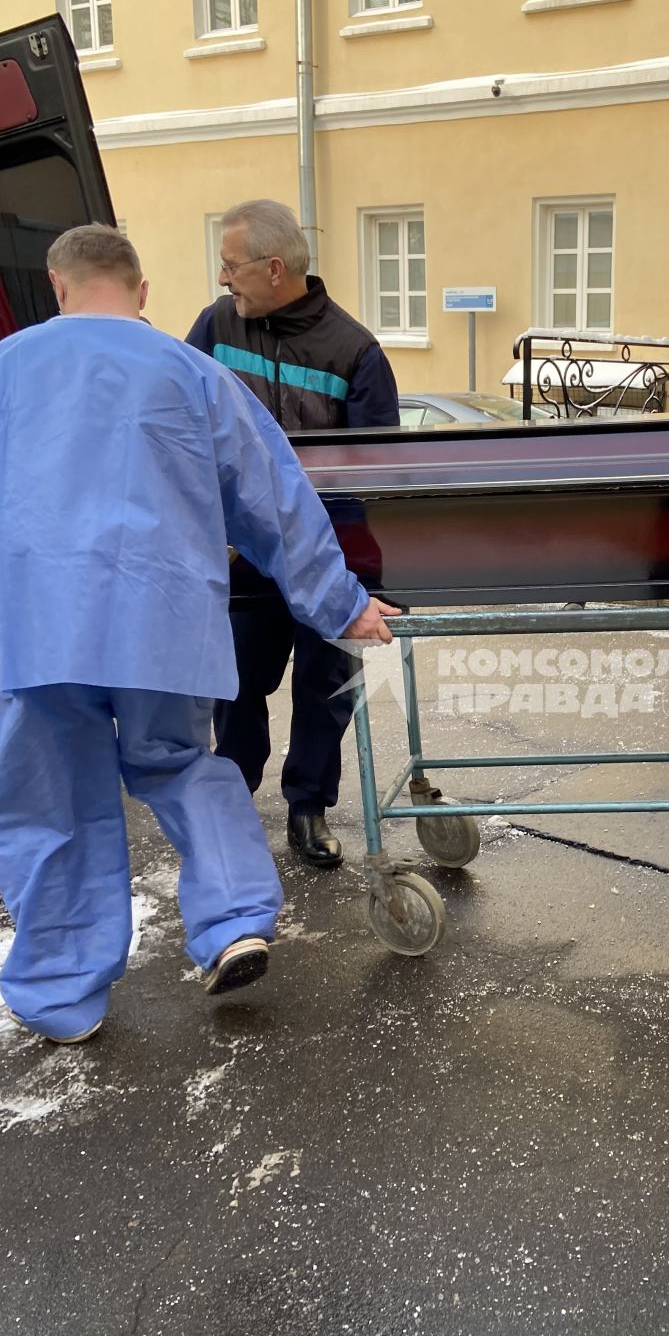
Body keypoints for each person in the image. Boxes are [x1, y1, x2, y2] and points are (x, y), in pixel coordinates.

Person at [0, 226, 398, 1043]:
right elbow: (273, 497)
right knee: (178, 764)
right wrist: (342, 604)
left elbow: (2, 496)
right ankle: (234, 916)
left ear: (59, 287)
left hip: (41, 621)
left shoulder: (3, 370)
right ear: (140, 291)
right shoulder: (193, 372)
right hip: (160, 615)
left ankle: (63, 992)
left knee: (50, 796)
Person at [186, 200, 399, 872]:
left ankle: (308, 806)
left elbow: (379, 477)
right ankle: (232, 801)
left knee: (323, 686)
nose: (223, 279)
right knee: (238, 683)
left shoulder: (355, 352)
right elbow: (181, 424)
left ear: (274, 269)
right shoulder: (215, 329)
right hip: (241, 560)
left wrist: (351, 580)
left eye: (231, 265)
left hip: (328, 560)